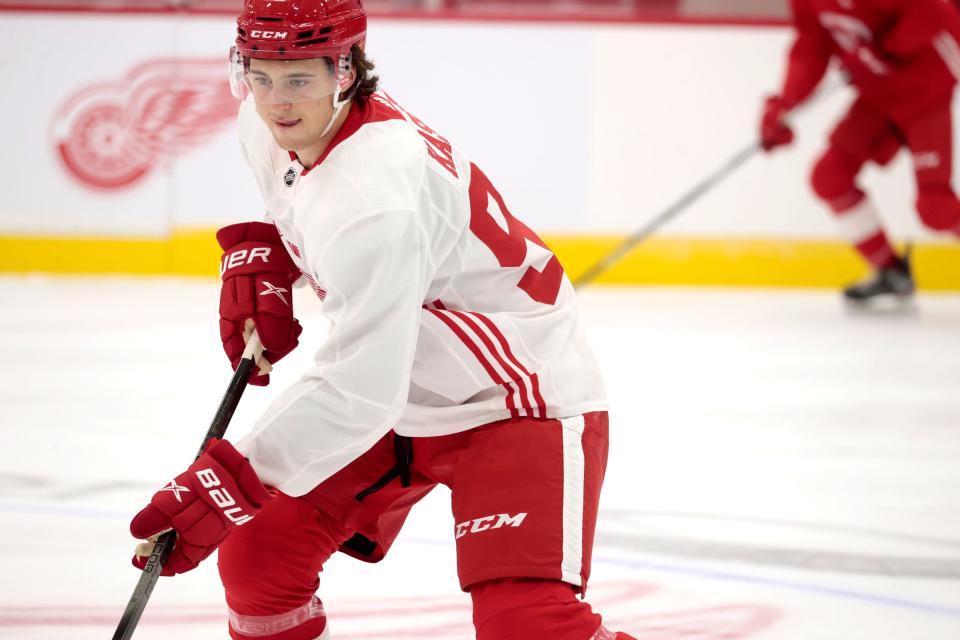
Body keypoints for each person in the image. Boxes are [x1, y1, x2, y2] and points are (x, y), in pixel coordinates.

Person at [128, 1, 635, 638]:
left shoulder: (378, 191)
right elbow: (304, 209)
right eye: (258, 76)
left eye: (298, 80)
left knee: (526, 624)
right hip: (400, 389)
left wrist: (228, 481)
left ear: (346, 71)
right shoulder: (269, 126)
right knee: (259, 565)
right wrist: (265, 258)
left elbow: (359, 390)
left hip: (513, 401)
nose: (276, 102)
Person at [760, 0, 960, 304]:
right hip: (881, 93)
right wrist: (785, 104)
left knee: (935, 208)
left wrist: (885, 50)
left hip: (924, 89)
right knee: (829, 176)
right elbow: (811, 47)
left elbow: (934, 13)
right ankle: (891, 273)